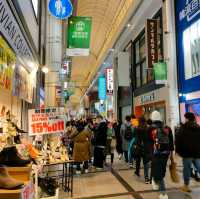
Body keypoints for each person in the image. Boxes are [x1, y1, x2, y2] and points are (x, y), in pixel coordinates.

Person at [150, 110, 173, 199]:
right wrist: (171, 154)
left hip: (155, 153)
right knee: (161, 170)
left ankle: (163, 192)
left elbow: (148, 143)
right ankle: (156, 181)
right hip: (165, 153)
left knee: (158, 171)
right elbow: (171, 142)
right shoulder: (167, 128)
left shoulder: (151, 128)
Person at [175, 112, 200, 192]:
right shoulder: (198, 127)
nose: (184, 119)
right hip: (197, 152)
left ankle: (186, 186)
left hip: (187, 152)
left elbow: (178, 140)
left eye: (185, 117)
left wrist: (178, 150)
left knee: (187, 169)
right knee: (199, 167)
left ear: (187, 118)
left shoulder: (183, 128)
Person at [134, 117, 152, 184]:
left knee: (138, 160)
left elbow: (135, 138)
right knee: (146, 163)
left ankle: (137, 172)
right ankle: (146, 178)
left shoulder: (136, 128)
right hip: (146, 148)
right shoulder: (148, 129)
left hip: (139, 147)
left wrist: (135, 145)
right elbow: (150, 139)